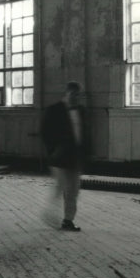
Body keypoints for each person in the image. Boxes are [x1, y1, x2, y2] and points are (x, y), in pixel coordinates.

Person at [40, 81, 85, 231]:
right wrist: (53, 151)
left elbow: (85, 134)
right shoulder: (54, 110)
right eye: (73, 94)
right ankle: (50, 213)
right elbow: (45, 132)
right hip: (59, 158)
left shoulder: (81, 110)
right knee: (61, 188)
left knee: (73, 190)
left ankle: (68, 221)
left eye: (78, 95)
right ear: (67, 93)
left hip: (75, 157)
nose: (76, 97)